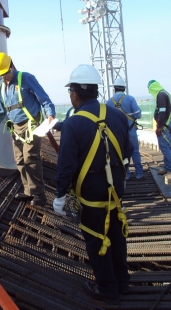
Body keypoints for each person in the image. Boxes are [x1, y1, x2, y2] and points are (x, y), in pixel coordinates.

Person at [53, 64, 133, 306]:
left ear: (75, 93)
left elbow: (66, 165)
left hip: (91, 195)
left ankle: (107, 289)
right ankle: (123, 282)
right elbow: (127, 151)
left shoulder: (74, 123)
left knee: (96, 239)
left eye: (70, 92)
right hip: (116, 190)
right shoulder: (117, 115)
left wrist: (59, 195)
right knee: (117, 236)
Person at [0, 52, 56, 206]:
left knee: (30, 157)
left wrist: (50, 114)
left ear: (11, 66)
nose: (4, 77)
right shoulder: (1, 87)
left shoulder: (26, 78)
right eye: (1, 75)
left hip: (31, 124)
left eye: (6, 73)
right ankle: (28, 191)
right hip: (15, 128)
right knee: (19, 159)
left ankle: (39, 195)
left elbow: (44, 98)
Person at [106, 78, 145, 180]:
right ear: (124, 88)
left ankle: (126, 174)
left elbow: (106, 118)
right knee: (135, 152)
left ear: (114, 88)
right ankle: (139, 174)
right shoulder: (130, 99)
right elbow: (138, 114)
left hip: (116, 133)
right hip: (131, 130)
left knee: (121, 153)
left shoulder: (109, 102)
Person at [147, 80, 171, 175]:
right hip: (167, 125)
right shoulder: (165, 93)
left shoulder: (160, 95)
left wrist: (159, 127)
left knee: (164, 147)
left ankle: (169, 167)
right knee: (168, 146)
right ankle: (168, 167)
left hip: (164, 126)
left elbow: (162, 112)